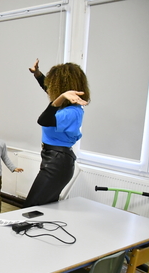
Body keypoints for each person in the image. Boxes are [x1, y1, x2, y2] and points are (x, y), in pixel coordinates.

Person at [25, 59, 90, 207]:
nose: (51, 88)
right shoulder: (65, 105)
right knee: (44, 207)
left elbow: (43, 120)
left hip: (58, 162)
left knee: (31, 208)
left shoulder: (71, 112)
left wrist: (59, 98)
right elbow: (47, 86)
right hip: (54, 158)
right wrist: (37, 74)